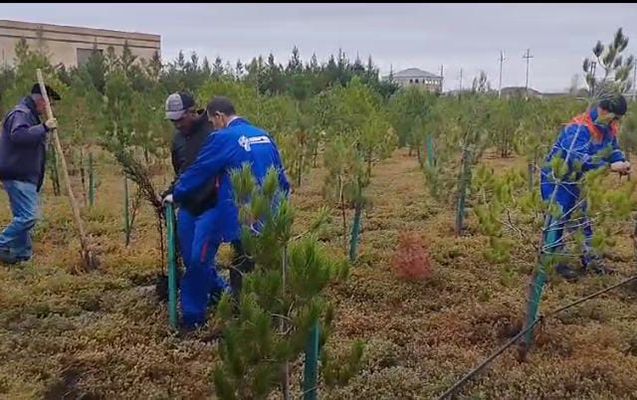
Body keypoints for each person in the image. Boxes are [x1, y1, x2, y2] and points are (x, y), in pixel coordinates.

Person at [169, 96, 290, 317]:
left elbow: (199, 170)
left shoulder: (224, 138)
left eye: (213, 122)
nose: (212, 127)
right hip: (269, 214)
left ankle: (208, 317)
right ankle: (267, 315)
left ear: (219, 117)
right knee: (261, 266)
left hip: (239, 215)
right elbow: (281, 178)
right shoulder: (263, 135)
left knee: (218, 263)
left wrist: (176, 193)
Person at [540, 94, 630, 281]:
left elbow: (612, 148)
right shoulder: (579, 127)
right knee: (557, 220)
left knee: (581, 220)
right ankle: (557, 264)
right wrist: (607, 167)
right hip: (556, 179)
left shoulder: (608, 127)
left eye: (618, 119)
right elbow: (577, 157)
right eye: (614, 117)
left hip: (577, 180)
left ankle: (593, 262)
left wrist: (620, 161)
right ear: (604, 110)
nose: (616, 122)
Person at [161, 92, 228, 330]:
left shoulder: (213, 133)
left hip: (212, 206)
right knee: (191, 260)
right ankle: (222, 292)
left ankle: (193, 317)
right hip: (188, 206)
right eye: (173, 121)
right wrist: (170, 192)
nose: (177, 124)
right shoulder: (178, 140)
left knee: (200, 260)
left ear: (193, 111)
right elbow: (182, 173)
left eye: (180, 118)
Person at [0, 83, 60, 265]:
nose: (49, 108)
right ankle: (3, 244)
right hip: (19, 174)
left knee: (22, 217)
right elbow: (19, 135)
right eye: (49, 103)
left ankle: (20, 255)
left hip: (26, 175)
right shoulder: (22, 114)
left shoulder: (29, 114)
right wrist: (44, 128)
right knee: (28, 217)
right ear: (41, 100)